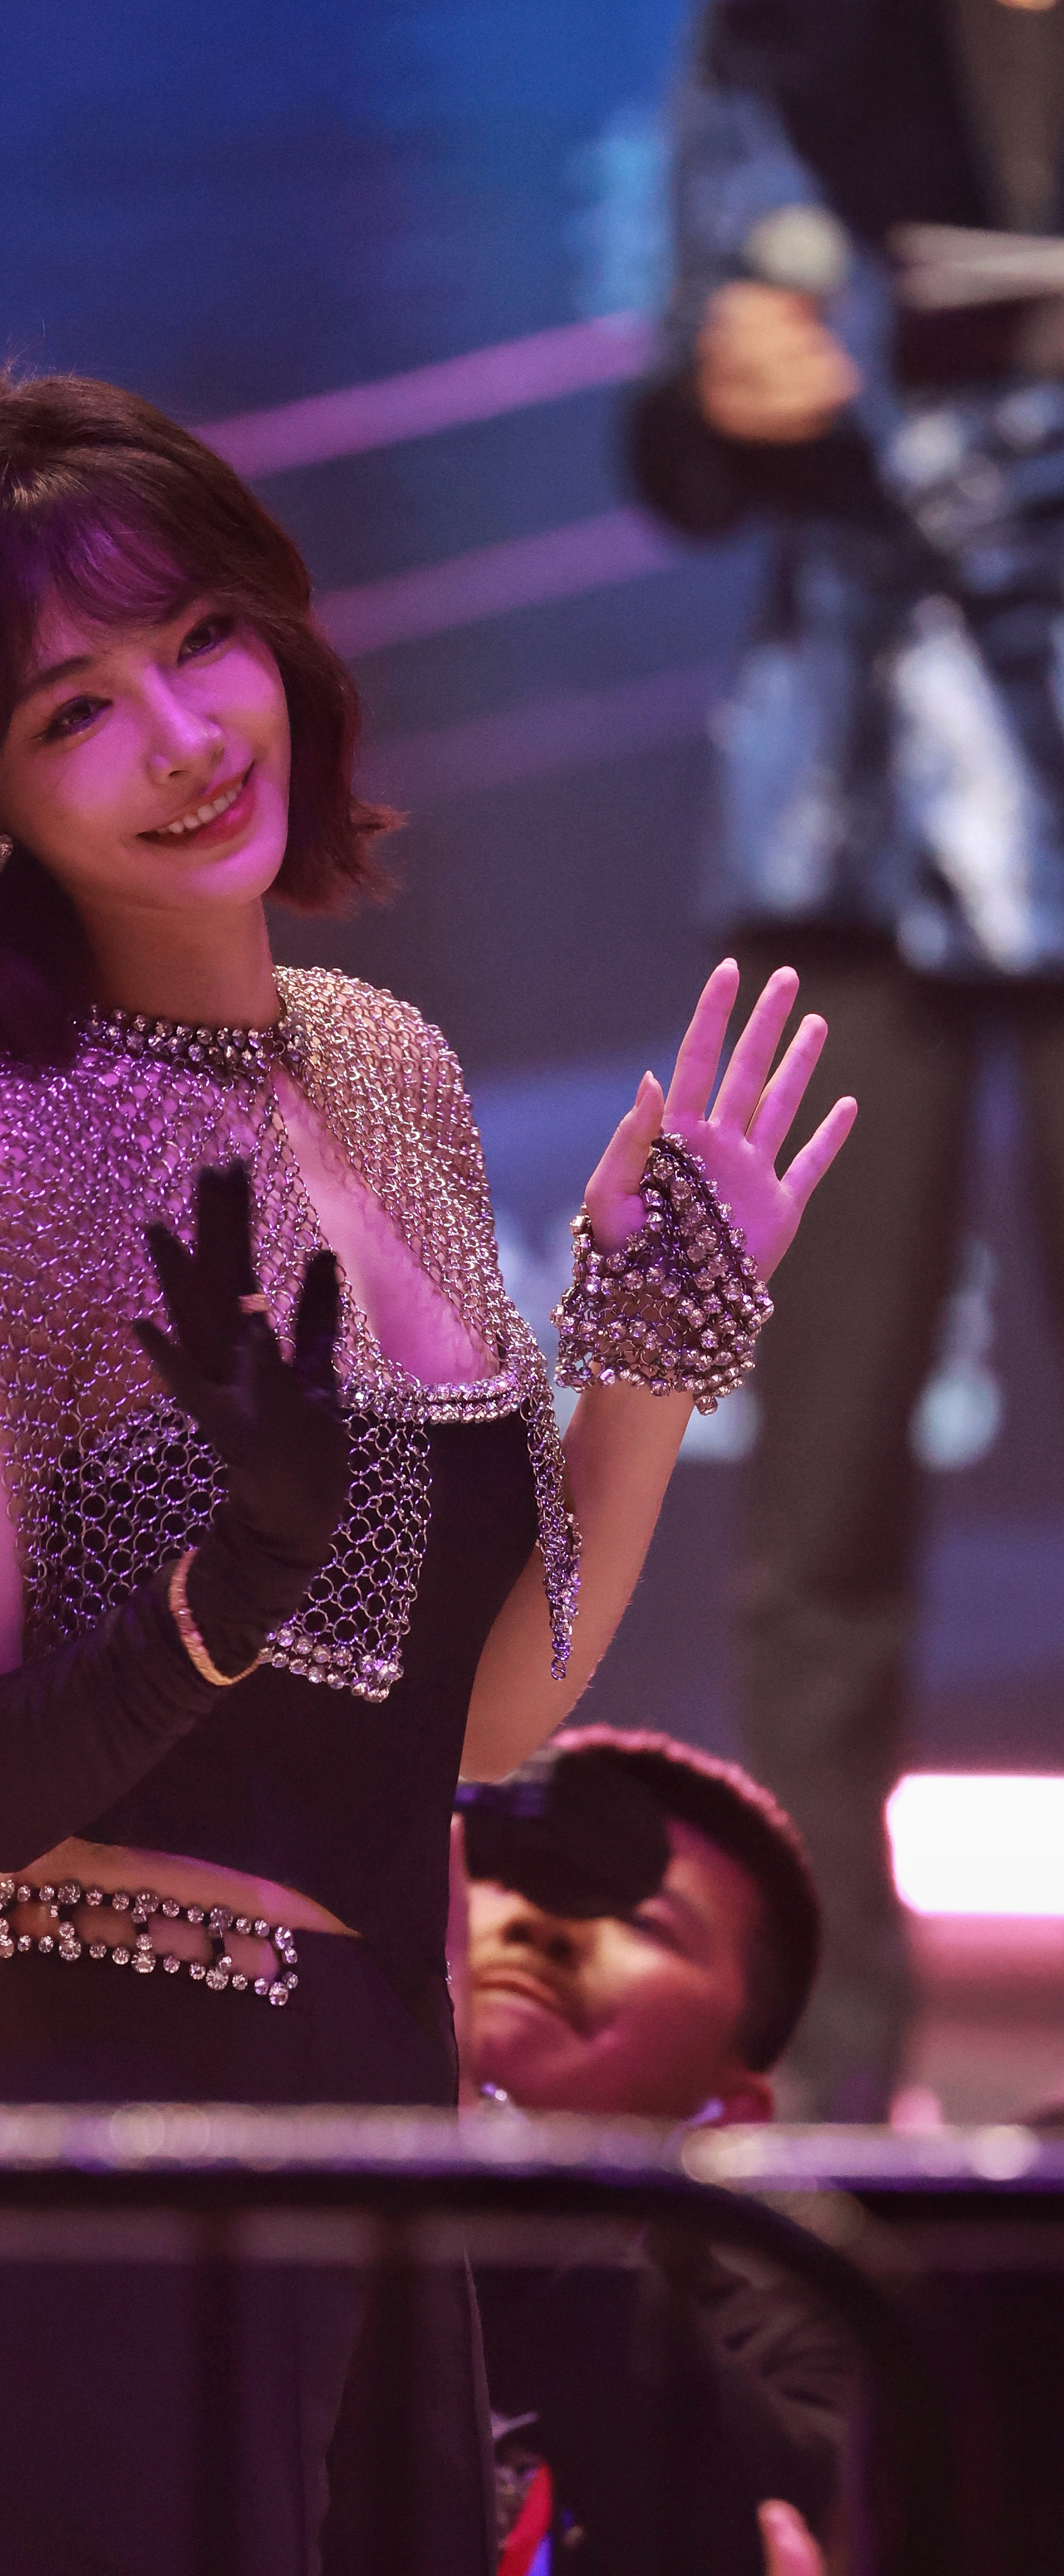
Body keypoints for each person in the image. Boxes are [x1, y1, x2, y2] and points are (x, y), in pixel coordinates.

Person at [0, 359, 853, 2576]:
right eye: (72, 709)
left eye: (200, 641)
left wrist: (649, 1348)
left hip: (379, 2127)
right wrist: (219, 1594)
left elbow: (489, 1712)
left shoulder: (386, 1071)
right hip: (98, 2155)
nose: (181, 736)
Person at [627, 0, 1064, 2118]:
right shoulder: (786, 34)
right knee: (817, 1500)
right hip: (849, 827)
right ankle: (820, 2074)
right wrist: (729, 390)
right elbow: (680, 428)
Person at [450, 1731, 851, 2576]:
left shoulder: (796, 2349)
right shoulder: (253, 2217)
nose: (546, 1925)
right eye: (514, 1878)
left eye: (641, 1918)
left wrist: (494, 2166)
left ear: (727, 2110)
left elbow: (770, 2519)